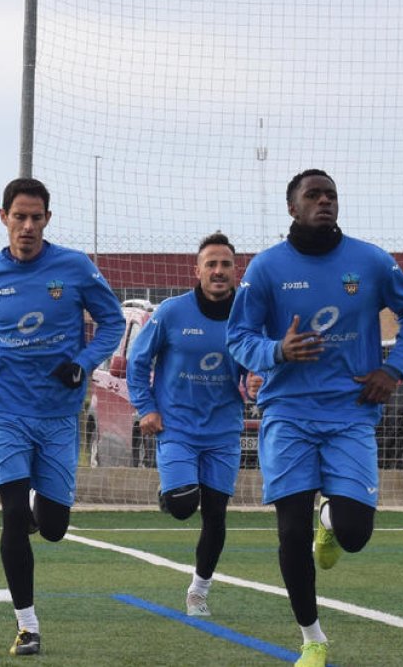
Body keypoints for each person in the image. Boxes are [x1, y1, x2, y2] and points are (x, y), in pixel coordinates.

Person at [226, 169, 403, 667]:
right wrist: (278, 350)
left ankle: (331, 519)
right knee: (290, 533)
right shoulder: (267, 268)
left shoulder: (370, 261)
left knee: (355, 534)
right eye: (313, 195)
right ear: (292, 207)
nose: (324, 202)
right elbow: (238, 337)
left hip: (351, 413)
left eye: (331, 195)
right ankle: (312, 639)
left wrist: (394, 369)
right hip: (288, 414)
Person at [0, 178, 125, 656]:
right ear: (3, 217)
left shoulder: (74, 267)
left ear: (47, 219)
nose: (27, 226)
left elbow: (112, 321)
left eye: (36, 217)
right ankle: (27, 626)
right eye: (19, 217)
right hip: (5, 410)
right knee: (13, 515)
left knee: (52, 527)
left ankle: (40, 504)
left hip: (57, 414)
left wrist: (82, 363)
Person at [126, 232, 245, 617]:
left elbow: (255, 365)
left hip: (223, 430)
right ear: (197, 271)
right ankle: (171, 490)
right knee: (182, 506)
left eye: (225, 264)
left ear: (235, 270)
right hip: (176, 426)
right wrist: (146, 407)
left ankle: (199, 590)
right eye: (211, 264)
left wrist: (255, 381)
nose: (218, 271)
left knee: (215, 513)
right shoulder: (171, 312)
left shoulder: (248, 315)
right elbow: (138, 361)